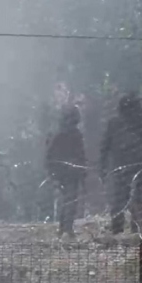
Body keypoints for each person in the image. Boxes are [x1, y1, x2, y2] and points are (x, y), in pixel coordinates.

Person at [100, 92, 142, 234]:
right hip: (133, 166)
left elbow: (104, 147)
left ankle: (123, 230)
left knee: (122, 200)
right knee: (131, 200)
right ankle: (133, 230)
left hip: (126, 167)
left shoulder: (119, 123)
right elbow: (105, 147)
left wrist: (102, 167)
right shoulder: (139, 121)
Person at [46, 102, 87, 238]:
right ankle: (66, 228)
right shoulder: (74, 134)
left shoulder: (57, 132)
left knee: (66, 200)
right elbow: (80, 155)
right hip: (69, 172)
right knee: (70, 200)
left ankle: (64, 227)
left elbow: (49, 155)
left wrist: (51, 172)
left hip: (62, 171)